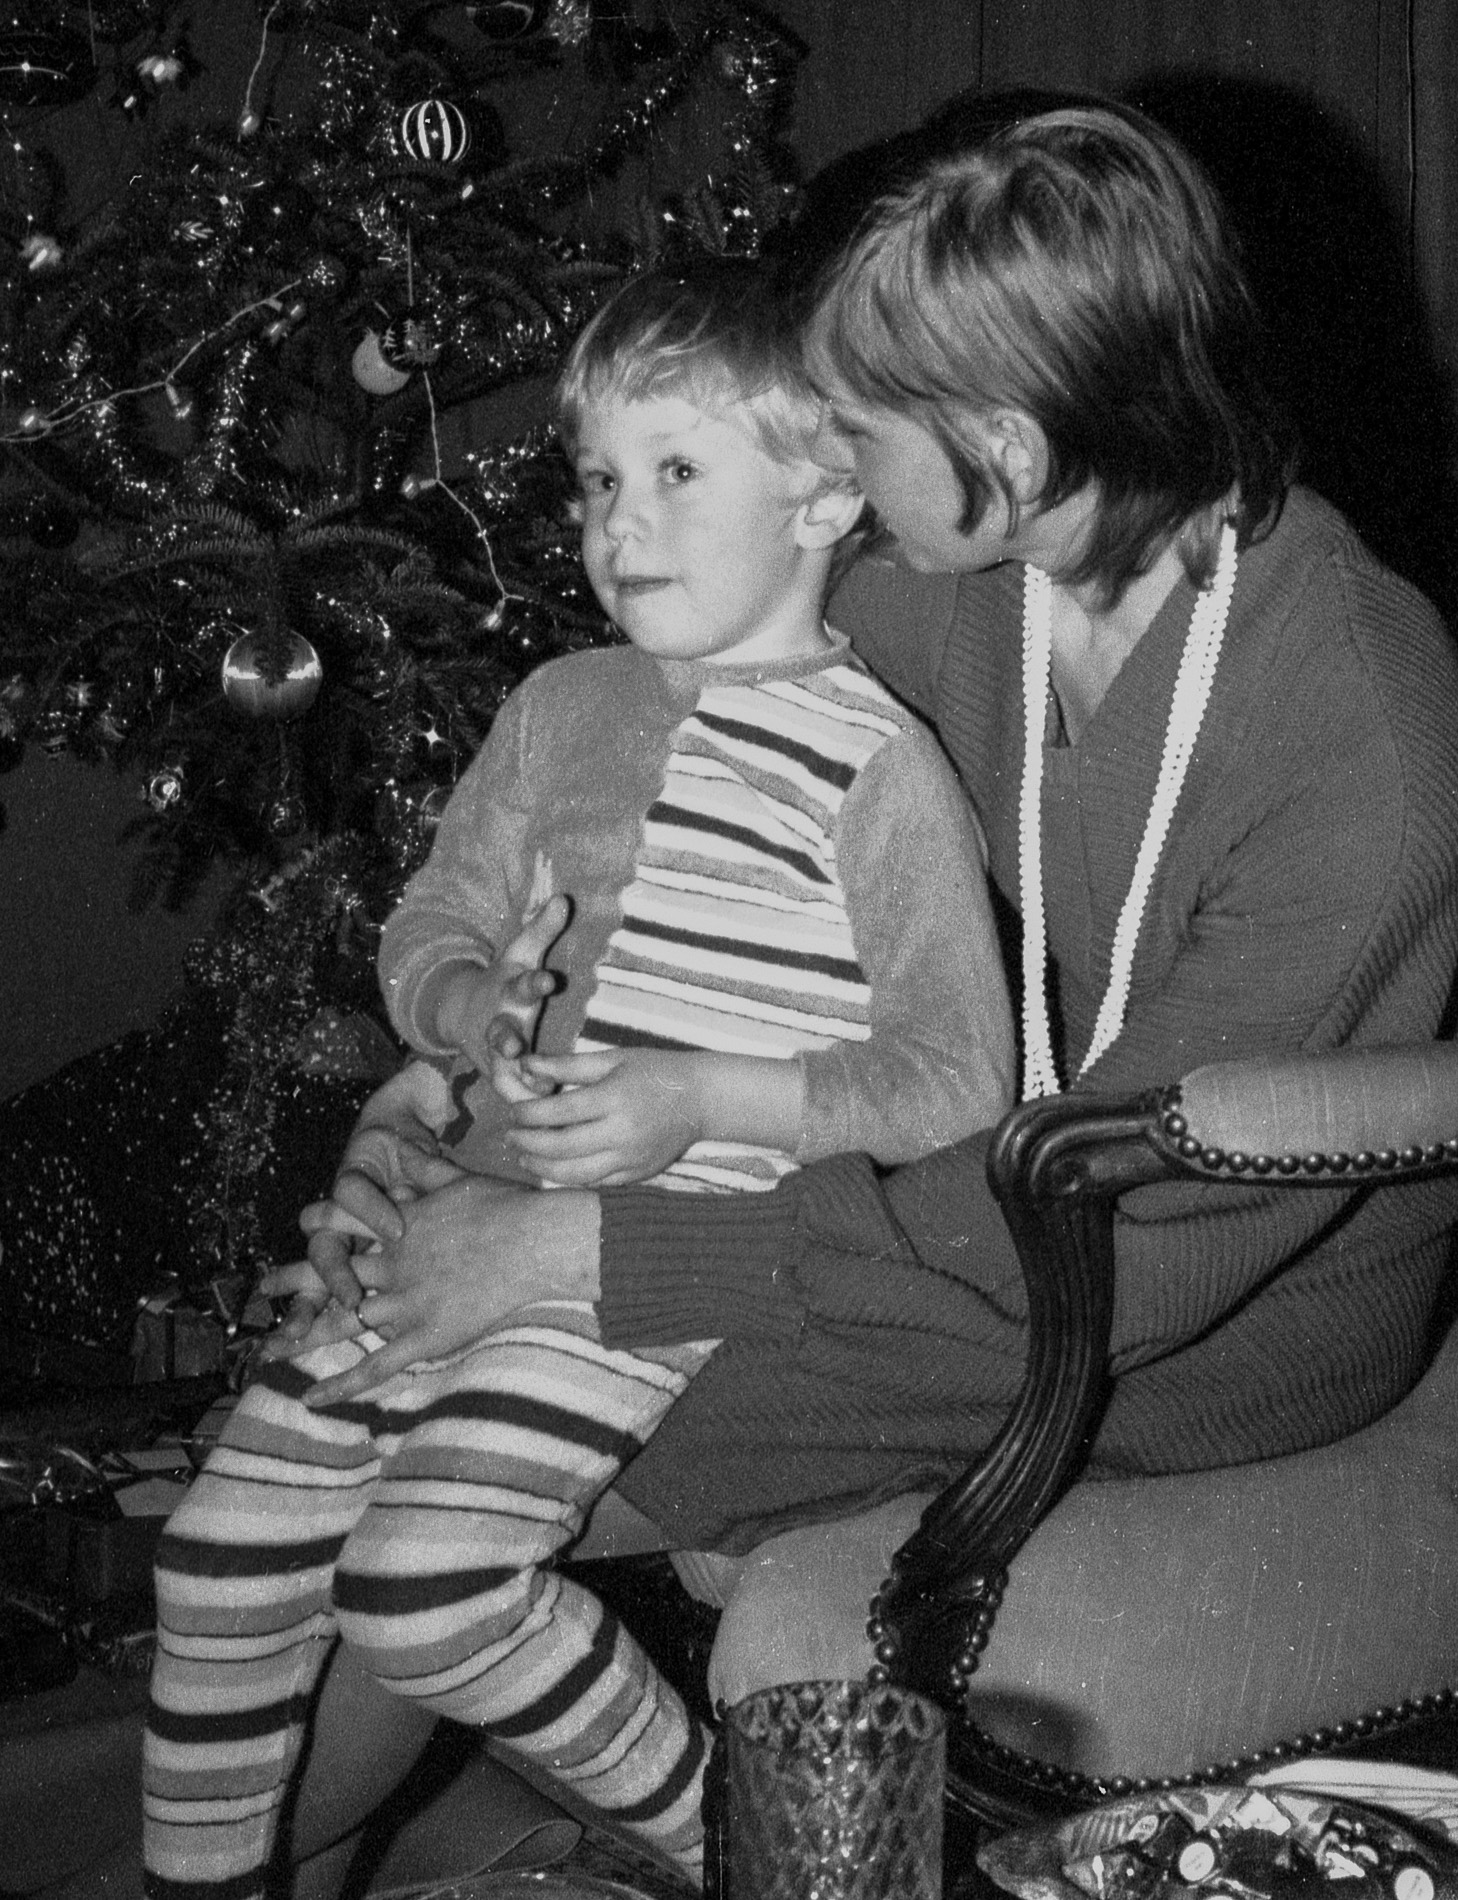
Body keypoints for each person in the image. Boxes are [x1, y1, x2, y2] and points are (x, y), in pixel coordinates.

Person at [253, 97, 1458, 1876]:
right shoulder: (965, 582)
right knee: (356, 1404)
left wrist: (582, 1250)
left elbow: (1132, 1248)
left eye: (849, 424)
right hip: (926, 1204)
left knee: (444, 1433)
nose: (818, 460)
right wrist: (440, 1107)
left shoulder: (1359, 737)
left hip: (1170, 1319)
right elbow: (637, 825)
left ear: (1006, 444)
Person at [141, 257, 1014, 1898]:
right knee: (213, 1560)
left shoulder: (878, 765)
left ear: (826, 496)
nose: (621, 522)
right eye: (601, 479)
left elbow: (956, 1076)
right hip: (458, 1205)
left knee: (429, 1590)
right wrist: (467, 1001)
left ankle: (751, 1859)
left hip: (641, 1256)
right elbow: (429, 923)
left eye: (677, 472)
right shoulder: (558, 709)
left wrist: (705, 1096)